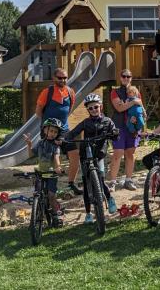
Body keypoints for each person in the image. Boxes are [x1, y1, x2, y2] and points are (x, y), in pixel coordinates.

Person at [65, 94, 117, 224]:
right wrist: (64, 138)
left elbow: (114, 134)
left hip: (99, 154)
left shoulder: (107, 121)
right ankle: (88, 213)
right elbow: (73, 132)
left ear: (101, 107)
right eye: (90, 108)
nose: (94, 110)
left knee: (100, 178)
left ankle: (109, 198)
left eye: (96, 107)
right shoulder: (85, 122)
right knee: (87, 184)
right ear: (88, 110)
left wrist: (115, 133)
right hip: (85, 155)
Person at [35, 68, 80, 195]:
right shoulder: (46, 92)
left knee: (75, 154)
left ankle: (71, 183)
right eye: (60, 78)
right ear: (54, 78)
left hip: (64, 129)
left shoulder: (70, 92)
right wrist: (47, 126)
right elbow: (38, 111)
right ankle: (46, 186)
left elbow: (69, 109)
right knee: (48, 159)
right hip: (49, 129)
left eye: (65, 78)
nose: (63, 80)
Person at [24, 118, 65, 227]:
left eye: (55, 132)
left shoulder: (55, 146)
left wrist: (58, 168)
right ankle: (37, 215)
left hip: (51, 173)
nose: (53, 134)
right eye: (51, 131)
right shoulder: (40, 143)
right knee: (37, 193)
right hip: (40, 173)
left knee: (51, 195)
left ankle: (56, 215)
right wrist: (29, 145)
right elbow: (31, 155)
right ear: (45, 130)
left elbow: (56, 158)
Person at [109, 69, 141, 190]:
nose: (126, 78)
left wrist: (138, 120)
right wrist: (134, 102)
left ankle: (128, 180)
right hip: (119, 125)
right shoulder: (115, 91)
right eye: (124, 76)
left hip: (132, 127)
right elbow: (119, 108)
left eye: (128, 76)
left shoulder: (136, 91)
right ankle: (112, 182)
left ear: (131, 78)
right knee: (117, 153)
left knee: (130, 153)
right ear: (120, 77)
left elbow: (141, 107)